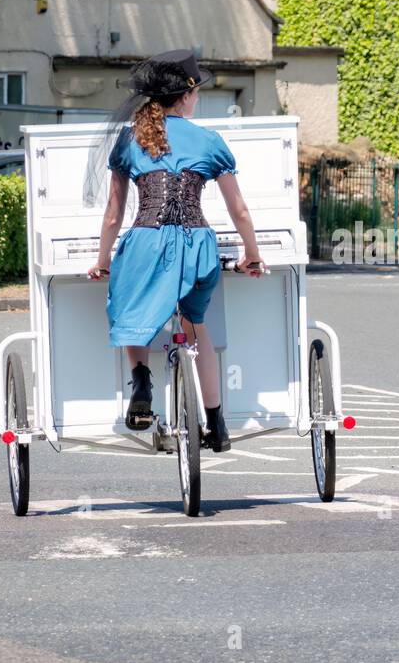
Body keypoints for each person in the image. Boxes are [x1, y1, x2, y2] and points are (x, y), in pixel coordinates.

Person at [86, 50, 265, 451]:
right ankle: (217, 423)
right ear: (184, 97)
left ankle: (142, 382)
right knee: (196, 326)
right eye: (196, 92)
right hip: (197, 246)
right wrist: (251, 255)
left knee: (133, 311)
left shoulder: (131, 139)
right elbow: (239, 210)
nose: (198, 98)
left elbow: (114, 214)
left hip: (145, 242)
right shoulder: (209, 140)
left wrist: (102, 262)